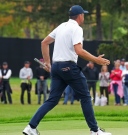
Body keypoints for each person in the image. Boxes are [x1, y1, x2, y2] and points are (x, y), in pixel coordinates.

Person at [22, 5, 111, 135]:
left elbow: (44, 42)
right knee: (85, 97)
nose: (84, 17)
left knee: (52, 100)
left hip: (57, 67)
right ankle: (95, 131)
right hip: (68, 67)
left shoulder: (61, 26)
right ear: (80, 16)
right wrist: (96, 60)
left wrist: (47, 62)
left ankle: (30, 127)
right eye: (83, 15)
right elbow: (79, 51)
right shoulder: (77, 29)